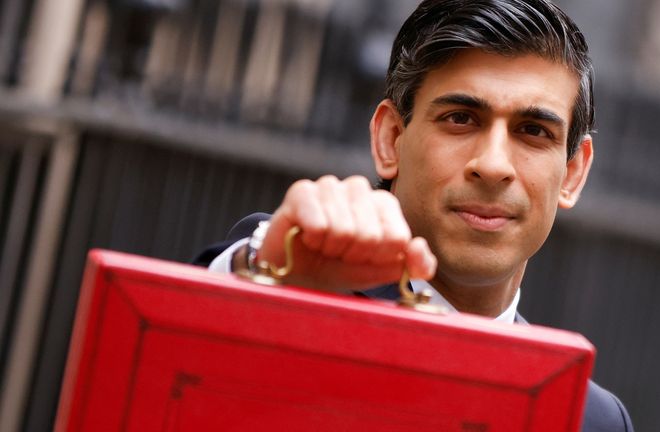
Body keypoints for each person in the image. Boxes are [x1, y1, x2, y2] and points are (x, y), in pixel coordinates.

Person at [195, 0, 634, 430]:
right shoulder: (288, 275)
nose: (494, 164)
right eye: (461, 118)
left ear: (572, 173)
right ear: (390, 139)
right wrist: (265, 279)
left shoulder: (590, 419)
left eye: (533, 131)